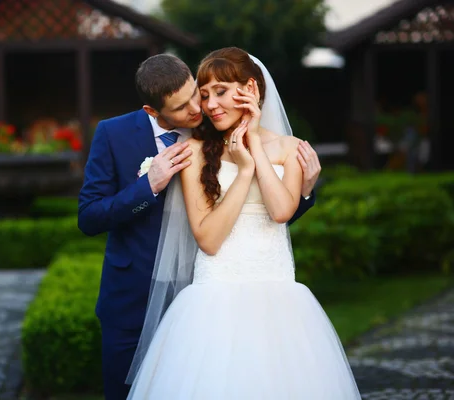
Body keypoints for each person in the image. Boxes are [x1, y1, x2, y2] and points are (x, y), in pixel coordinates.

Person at [78, 53, 321, 400]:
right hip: (138, 293)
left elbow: (261, 219)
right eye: (183, 106)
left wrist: (305, 194)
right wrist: (148, 186)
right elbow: (88, 216)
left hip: (215, 288)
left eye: (198, 92)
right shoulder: (113, 134)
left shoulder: (219, 122)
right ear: (153, 111)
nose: (199, 108)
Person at [126, 47, 360, 399]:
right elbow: (207, 239)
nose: (210, 104)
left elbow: (281, 211)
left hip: (280, 298)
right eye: (204, 95)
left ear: (250, 89)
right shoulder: (193, 152)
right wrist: (244, 170)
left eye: (220, 91)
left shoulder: (289, 147)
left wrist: (254, 148)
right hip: (214, 299)